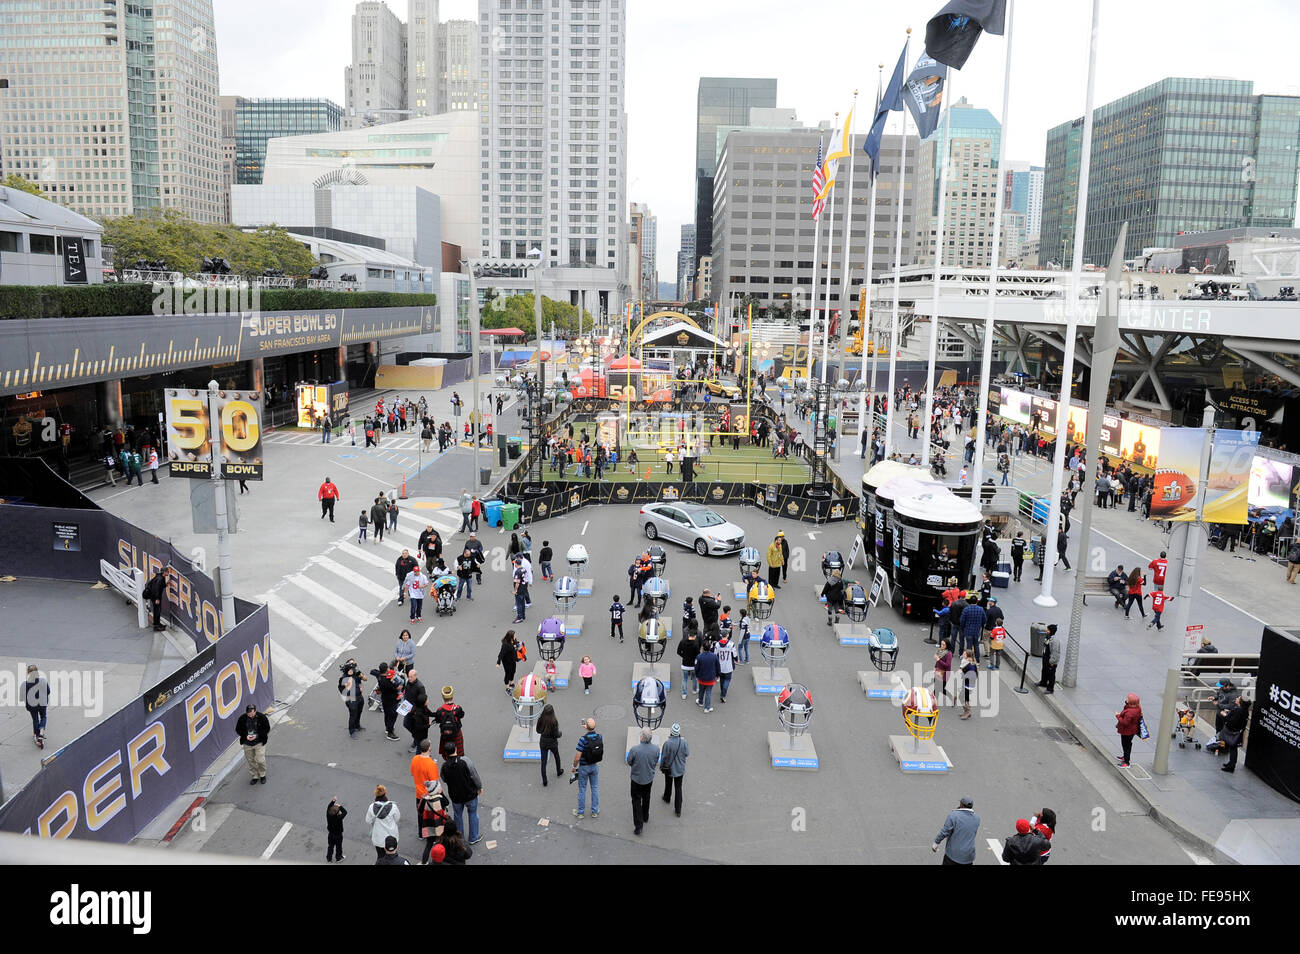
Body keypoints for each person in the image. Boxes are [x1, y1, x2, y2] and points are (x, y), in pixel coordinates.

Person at [441, 742, 484, 845]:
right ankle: (473, 837)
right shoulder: (465, 761)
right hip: (470, 794)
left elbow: (444, 779)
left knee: (458, 816)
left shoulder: (444, 766)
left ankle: (460, 839)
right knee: (473, 814)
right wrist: (479, 787)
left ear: (446, 753)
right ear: (456, 749)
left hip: (455, 796)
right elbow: (474, 775)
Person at [626, 728, 660, 836]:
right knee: (646, 797)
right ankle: (645, 816)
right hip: (648, 778)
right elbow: (655, 761)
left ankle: (638, 826)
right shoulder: (656, 749)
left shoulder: (635, 750)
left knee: (636, 801)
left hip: (636, 779)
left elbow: (629, 761)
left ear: (642, 738)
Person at [932, 796, 980, 865]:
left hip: (953, 855)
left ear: (961, 804)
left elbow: (945, 831)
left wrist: (936, 842)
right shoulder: (977, 818)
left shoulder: (954, 816)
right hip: (968, 856)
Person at [572, 717, 603, 819]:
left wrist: (574, 767)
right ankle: (595, 811)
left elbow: (577, 757)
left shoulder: (583, 739)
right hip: (594, 766)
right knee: (594, 788)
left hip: (584, 767)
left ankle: (580, 812)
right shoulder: (600, 737)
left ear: (586, 727)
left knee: (582, 789)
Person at [235, 703, 269, 785]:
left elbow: (267, 729)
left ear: (255, 711)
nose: (250, 714)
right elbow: (238, 729)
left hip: (259, 742)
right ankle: (255, 776)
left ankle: (262, 774)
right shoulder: (242, 718)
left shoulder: (262, 717)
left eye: (251, 713)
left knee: (260, 760)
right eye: (248, 713)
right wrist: (245, 736)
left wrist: (257, 735)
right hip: (247, 743)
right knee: (251, 761)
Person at [365, 785, 401, 861]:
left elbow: (368, 820)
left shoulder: (371, 807)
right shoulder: (393, 806)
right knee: (393, 857)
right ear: (385, 793)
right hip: (392, 837)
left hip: (378, 838)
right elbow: (397, 818)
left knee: (380, 856)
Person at [1220, 696, 1251, 773]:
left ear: (1241, 702)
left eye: (1238, 698)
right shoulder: (1244, 710)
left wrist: (1225, 715)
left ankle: (1231, 765)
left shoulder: (1239, 711)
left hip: (1233, 732)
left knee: (1233, 748)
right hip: (1237, 732)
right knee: (1233, 748)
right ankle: (1231, 763)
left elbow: (1232, 721)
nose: (1236, 698)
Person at [434, 685, 466, 756]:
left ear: (443, 698)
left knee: (447, 751)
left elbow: (438, 720)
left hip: (445, 734)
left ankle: (448, 759)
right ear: (452, 697)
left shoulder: (440, 710)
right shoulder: (457, 708)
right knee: (459, 752)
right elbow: (462, 715)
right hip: (456, 733)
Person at [23, 664, 49, 748]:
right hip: (42, 703)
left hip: (32, 705)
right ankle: (41, 733)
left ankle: (37, 736)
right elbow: (48, 691)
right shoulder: (43, 681)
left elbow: (22, 697)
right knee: (43, 716)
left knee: (35, 719)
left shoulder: (25, 684)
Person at [338, 658, 366, 737]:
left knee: (359, 712)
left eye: (352, 668)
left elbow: (362, 680)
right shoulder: (344, 678)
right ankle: (351, 731)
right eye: (349, 669)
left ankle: (357, 725)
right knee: (353, 715)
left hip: (359, 697)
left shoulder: (356, 673)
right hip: (351, 700)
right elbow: (341, 689)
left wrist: (361, 686)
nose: (351, 670)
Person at [537, 704, 564, 785]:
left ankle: (544, 781)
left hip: (543, 742)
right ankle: (558, 771)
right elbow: (556, 735)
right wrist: (560, 734)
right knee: (556, 756)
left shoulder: (540, 719)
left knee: (543, 762)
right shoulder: (554, 722)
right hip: (552, 743)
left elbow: (538, 731)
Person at [1115, 692, 1143, 768]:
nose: (1126, 700)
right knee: (1127, 744)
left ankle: (1126, 762)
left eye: (1128, 699)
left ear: (1131, 702)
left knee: (1126, 745)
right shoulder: (1137, 708)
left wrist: (1117, 716)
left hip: (1127, 731)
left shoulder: (1130, 712)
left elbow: (1125, 722)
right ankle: (1125, 757)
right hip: (1132, 730)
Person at [677, 627, 701, 701]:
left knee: (684, 679)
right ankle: (694, 690)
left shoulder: (682, 641)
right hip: (693, 665)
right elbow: (698, 655)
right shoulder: (696, 644)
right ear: (695, 636)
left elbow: (678, 651)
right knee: (694, 678)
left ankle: (684, 694)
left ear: (688, 635)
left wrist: (684, 656)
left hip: (685, 664)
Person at [144, 566, 168, 631]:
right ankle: (156, 626)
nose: (168, 573)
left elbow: (161, 586)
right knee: (157, 611)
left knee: (157, 610)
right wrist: (157, 598)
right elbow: (156, 589)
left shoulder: (160, 577)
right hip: (155, 597)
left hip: (154, 596)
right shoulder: (160, 579)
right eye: (167, 571)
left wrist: (166, 584)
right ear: (164, 572)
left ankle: (158, 624)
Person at [496, 631, 520, 695]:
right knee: (508, 674)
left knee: (513, 671)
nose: (515, 636)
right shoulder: (505, 645)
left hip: (513, 660)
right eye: (514, 635)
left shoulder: (514, 641)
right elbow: (501, 654)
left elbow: (516, 646)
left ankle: (511, 683)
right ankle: (507, 688)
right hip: (507, 661)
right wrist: (498, 662)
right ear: (510, 637)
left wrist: (519, 645)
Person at [1038, 624, 1060, 693]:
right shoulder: (1048, 637)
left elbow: (1055, 652)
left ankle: (1050, 689)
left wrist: (1052, 662)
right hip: (1045, 657)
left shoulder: (1055, 641)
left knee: (1051, 675)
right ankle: (1043, 682)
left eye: (1047, 630)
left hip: (1051, 660)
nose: (1046, 631)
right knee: (1044, 670)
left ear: (1051, 631)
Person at [715, 633, 736, 703]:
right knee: (727, 680)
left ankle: (722, 691)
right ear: (727, 635)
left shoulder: (717, 644)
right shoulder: (731, 644)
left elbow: (715, 654)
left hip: (720, 665)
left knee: (722, 679)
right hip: (729, 665)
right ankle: (723, 695)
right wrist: (736, 659)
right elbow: (734, 654)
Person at [325, 797, 347, 863]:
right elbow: (345, 812)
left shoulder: (328, 814)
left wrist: (333, 801)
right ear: (337, 813)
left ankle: (329, 858)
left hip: (331, 834)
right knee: (338, 847)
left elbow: (329, 806)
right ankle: (338, 858)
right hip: (338, 835)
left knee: (330, 846)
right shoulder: (339, 817)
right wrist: (339, 806)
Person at [959, 649, 978, 720]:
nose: (963, 655)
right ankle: (966, 711)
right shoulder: (966, 662)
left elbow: (972, 675)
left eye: (964, 654)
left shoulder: (970, 665)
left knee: (963, 697)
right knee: (964, 697)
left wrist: (962, 672)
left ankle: (968, 712)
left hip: (969, 684)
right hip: (965, 682)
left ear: (968, 656)